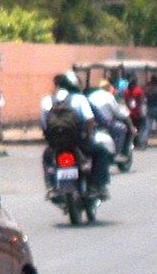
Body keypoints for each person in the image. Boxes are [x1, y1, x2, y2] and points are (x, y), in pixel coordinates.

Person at [40, 71, 111, 199]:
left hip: (56, 144)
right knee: (101, 152)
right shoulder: (79, 99)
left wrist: (51, 139)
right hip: (79, 142)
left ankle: (51, 187)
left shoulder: (47, 100)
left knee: (47, 157)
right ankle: (96, 186)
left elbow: (44, 124)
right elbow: (90, 120)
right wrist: (88, 137)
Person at [122, 76, 148, 148]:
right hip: (137, 112)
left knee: (131, 128)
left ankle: (132, 143)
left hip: (129, 113)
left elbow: (125, 101)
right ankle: (137, 143)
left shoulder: (126, 91)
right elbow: (141, 101)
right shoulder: (139, 90)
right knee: (139, 128)